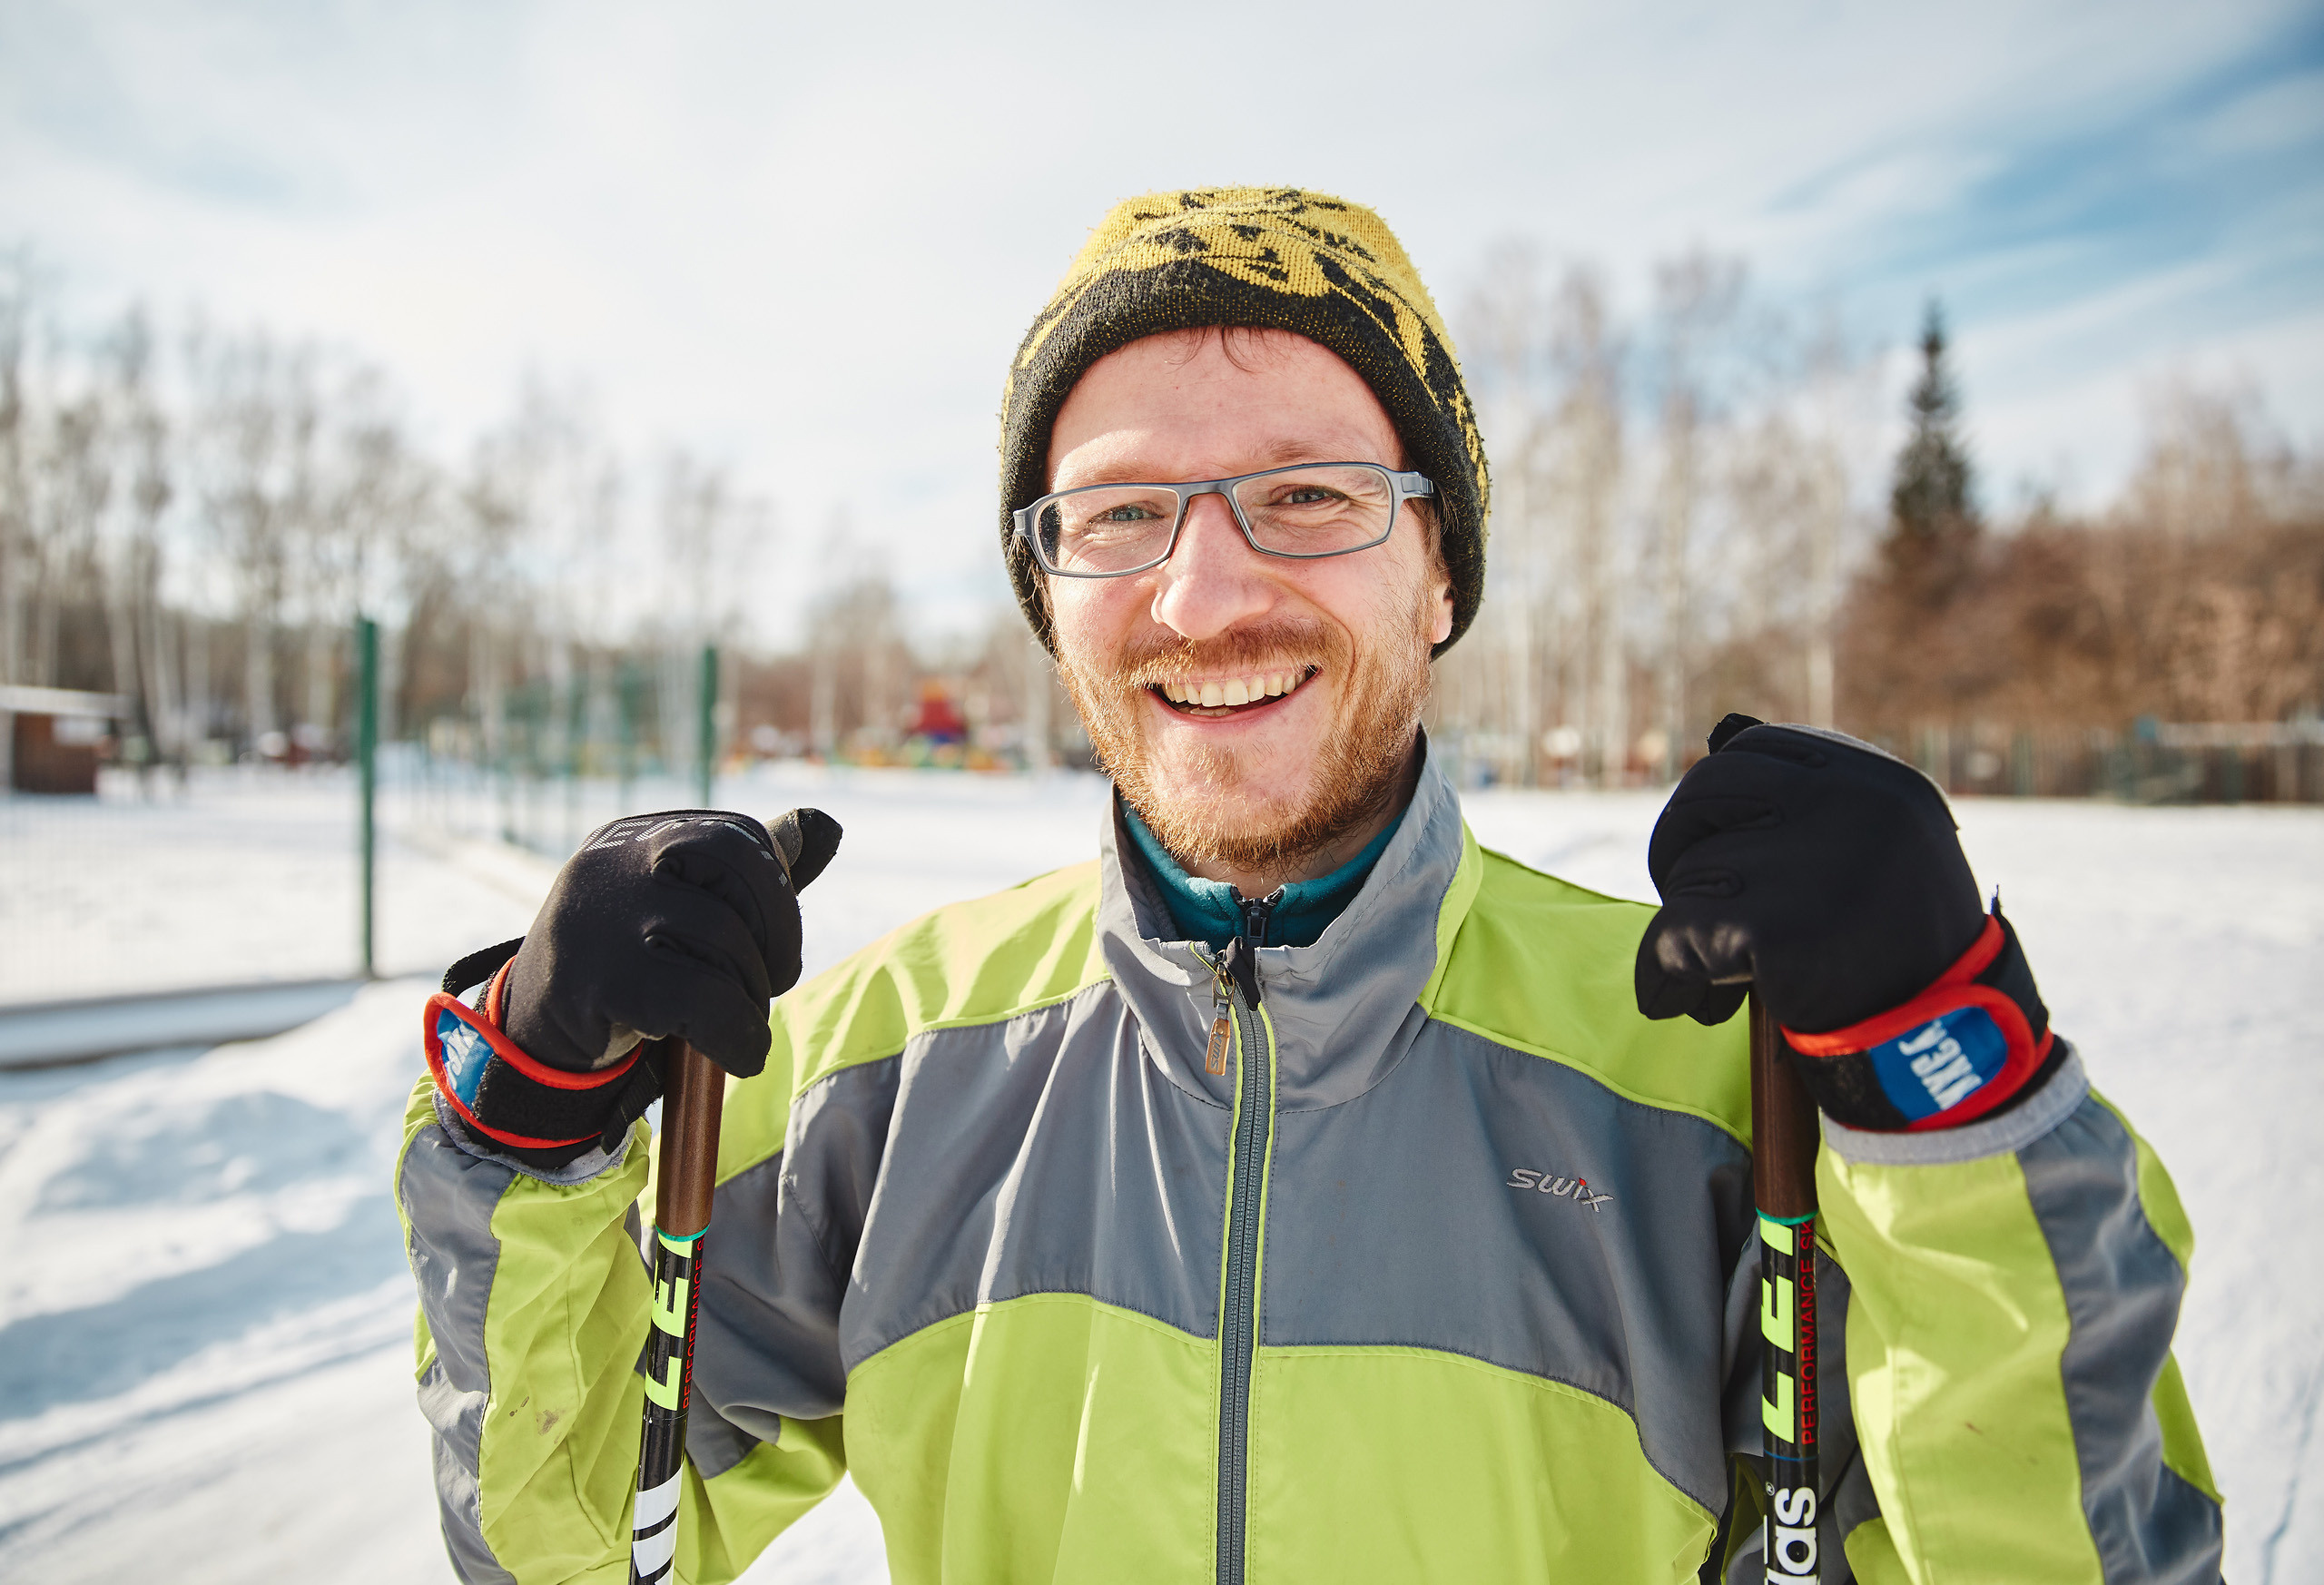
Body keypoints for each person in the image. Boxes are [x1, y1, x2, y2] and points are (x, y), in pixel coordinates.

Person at [398, 188, 2222, 1584]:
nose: (1203, 596)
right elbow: (563, 1546)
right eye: (1122, 514)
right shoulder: (884, 1061)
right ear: (1049, 597)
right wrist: (531, 1104)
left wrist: (1945, 1078)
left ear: (1440, 571)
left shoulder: (1708, 1074)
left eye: (1310, 494)